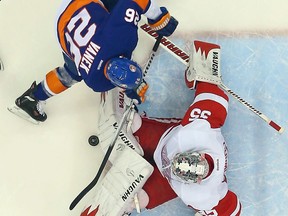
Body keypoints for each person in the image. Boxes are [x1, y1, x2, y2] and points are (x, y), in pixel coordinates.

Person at [81, 40, 241, 216]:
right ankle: (123, 85)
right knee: (125, 124)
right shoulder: (198, 130)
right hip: (163, 139)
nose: (170, 165)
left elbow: (231, 210)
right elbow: (212, 88)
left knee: (136, 200)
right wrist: (201, 71)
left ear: (197, 180)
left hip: (167, 182)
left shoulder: (205, 195)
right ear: (198, 154)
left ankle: (123, 202)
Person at [12, 0, 178, 123]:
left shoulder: (121, 37)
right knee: (72, 73)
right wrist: (130, 89)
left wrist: (159, 19)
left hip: (74, 9)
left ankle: (35, 97)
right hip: (63, 35)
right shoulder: (95, 82)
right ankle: (34, 97)